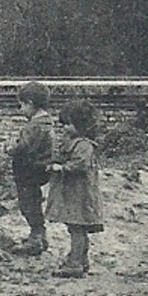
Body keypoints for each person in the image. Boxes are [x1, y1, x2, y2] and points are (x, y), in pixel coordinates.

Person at [46, 100, 104, 279]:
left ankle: (75, 263)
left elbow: (81, 164)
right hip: (73, 193)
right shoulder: (74, 142)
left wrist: (62, 168)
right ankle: (81, 258)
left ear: (81, 125)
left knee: (77, 227)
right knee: (76, 227)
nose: (64, 128)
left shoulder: (84, 145)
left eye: (68, 124)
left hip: (79, 195)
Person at [9, 82, 56, 255]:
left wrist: (11, 150)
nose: (21, 110)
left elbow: (24, 147)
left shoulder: (34, 126)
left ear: (30, 103)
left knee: (28, 204)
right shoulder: (46, 123)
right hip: (39, 169)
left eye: (22, 105)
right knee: (34, 201)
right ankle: (39, 235)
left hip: (29, 171)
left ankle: (36, 238)